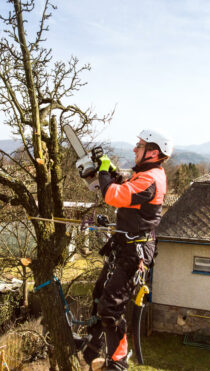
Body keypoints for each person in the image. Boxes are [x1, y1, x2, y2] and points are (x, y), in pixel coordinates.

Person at [83, 129, 173, 370]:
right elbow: (125, 182)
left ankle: (118, 361)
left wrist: (103, 172)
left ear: (153, 152)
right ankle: (94, 341)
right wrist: (111, 171)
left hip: (135, 251)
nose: (135, 149)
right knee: (99, 293)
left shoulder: (151, 178)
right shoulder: (144, 174)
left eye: (140, 146)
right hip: (125, 245)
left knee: (111, 306)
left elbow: (114, 195)